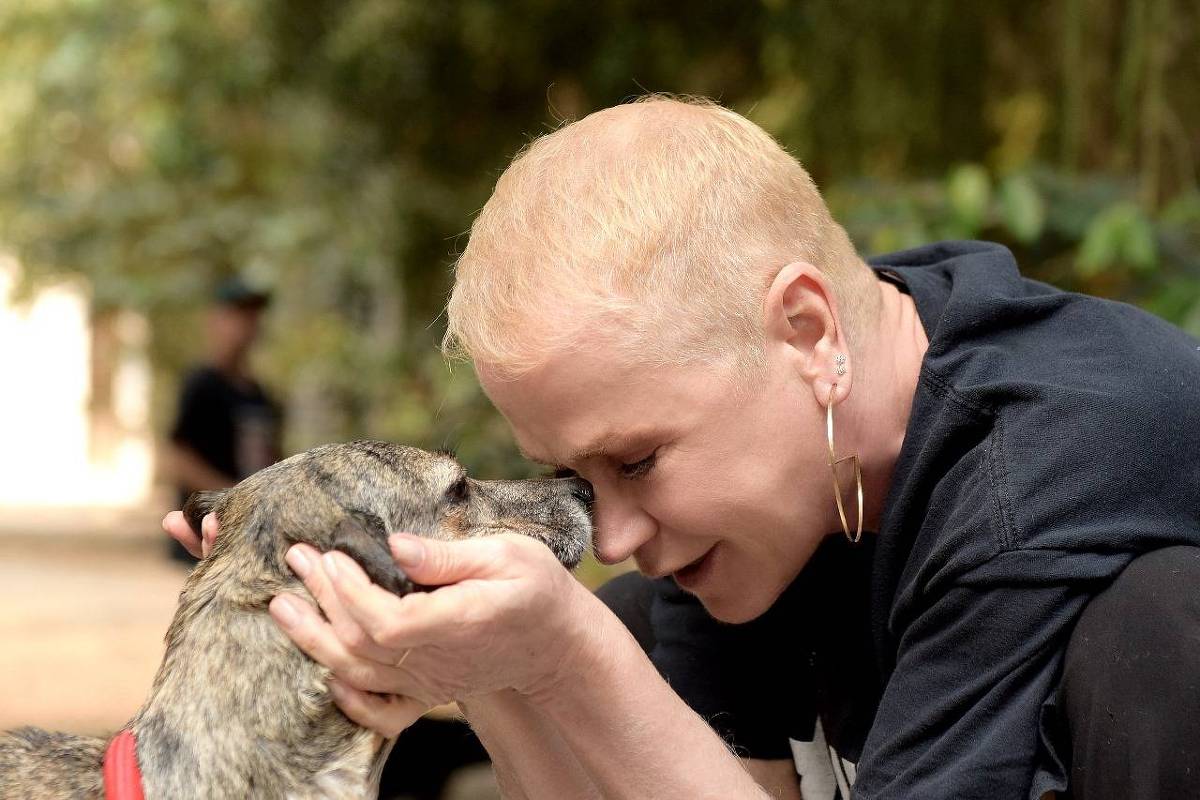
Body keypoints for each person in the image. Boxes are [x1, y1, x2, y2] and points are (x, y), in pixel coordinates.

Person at [165, 97, 1200, 799]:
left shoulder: (1033, 470)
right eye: (580, 475)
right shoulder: (795, 460)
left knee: (1159, 628)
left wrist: (567, 656)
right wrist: (466, 653)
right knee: (629, 629)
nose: (612, 529)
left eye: (639, 459)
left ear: (809, 330)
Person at [166, 277, 282, 561]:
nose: (247, 324)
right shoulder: (201, 385)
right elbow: (177, 457)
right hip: (204, 529)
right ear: (215, 319)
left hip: (251, 531)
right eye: (238, 314)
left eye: (253, 316)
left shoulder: (262, 395)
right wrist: (231, 495)